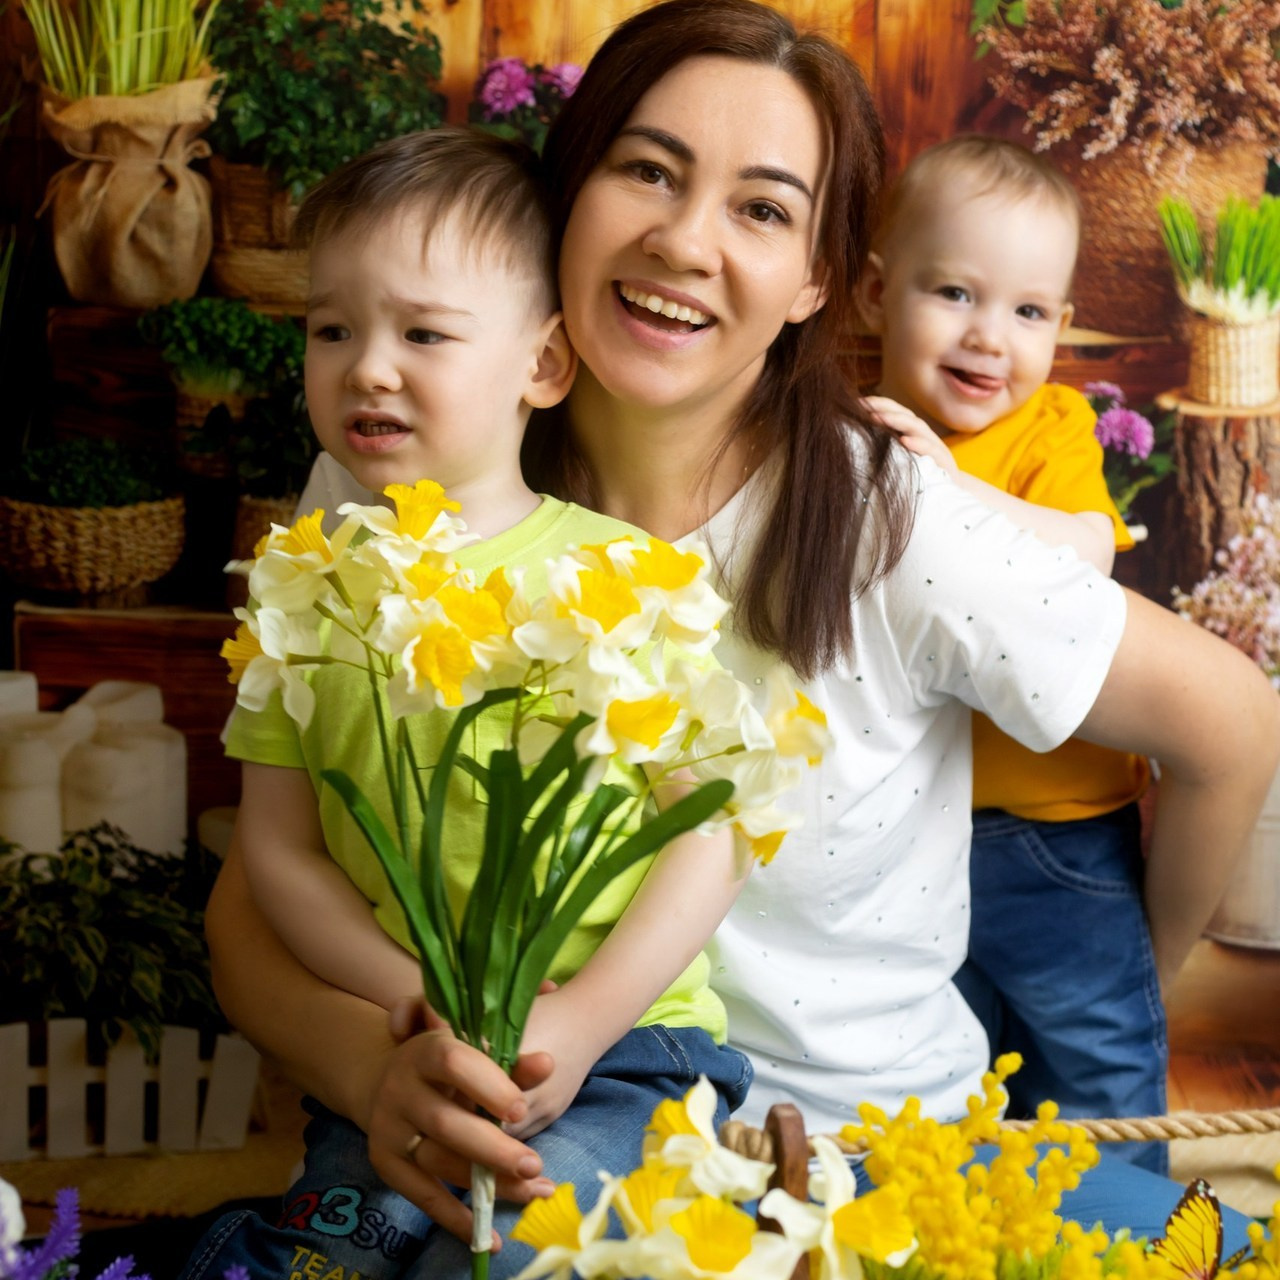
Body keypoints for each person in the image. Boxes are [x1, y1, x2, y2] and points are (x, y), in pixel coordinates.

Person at [192, 4, 1280, 1277]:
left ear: (820, 276)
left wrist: (1121, 996)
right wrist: (379, 1071)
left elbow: (1229, 723)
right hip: (542, 1131)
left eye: (761, 210)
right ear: (568, 189)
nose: (684, 239)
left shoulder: (887, 516)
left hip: (870, 1163)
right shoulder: (401, 467)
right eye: (645, 170)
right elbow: (252, 906)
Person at [180, 126, 753, 1280]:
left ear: (542, 366)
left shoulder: (623, 578)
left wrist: (583, 1017)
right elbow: (282, 853)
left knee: (512, 1260)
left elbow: (714, 831)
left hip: (625, 1053)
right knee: (332, 1256)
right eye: (330, 328)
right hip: (409, 1051)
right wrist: (417, 1006)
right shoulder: (301, 586)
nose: (366, 367)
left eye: (422, 333)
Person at [854, 135, 1166, 1172]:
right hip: (901, 829)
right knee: (953, 1069)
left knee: (1093, 1066)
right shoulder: (847, 425)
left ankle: (1126, 1225)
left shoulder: (1048, 426)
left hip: (1052, 833)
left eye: (1028, 312)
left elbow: (1083, 545)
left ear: (1060, 328)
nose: (991, 337)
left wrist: (941, 485)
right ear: (873, 292)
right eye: (953, 291)